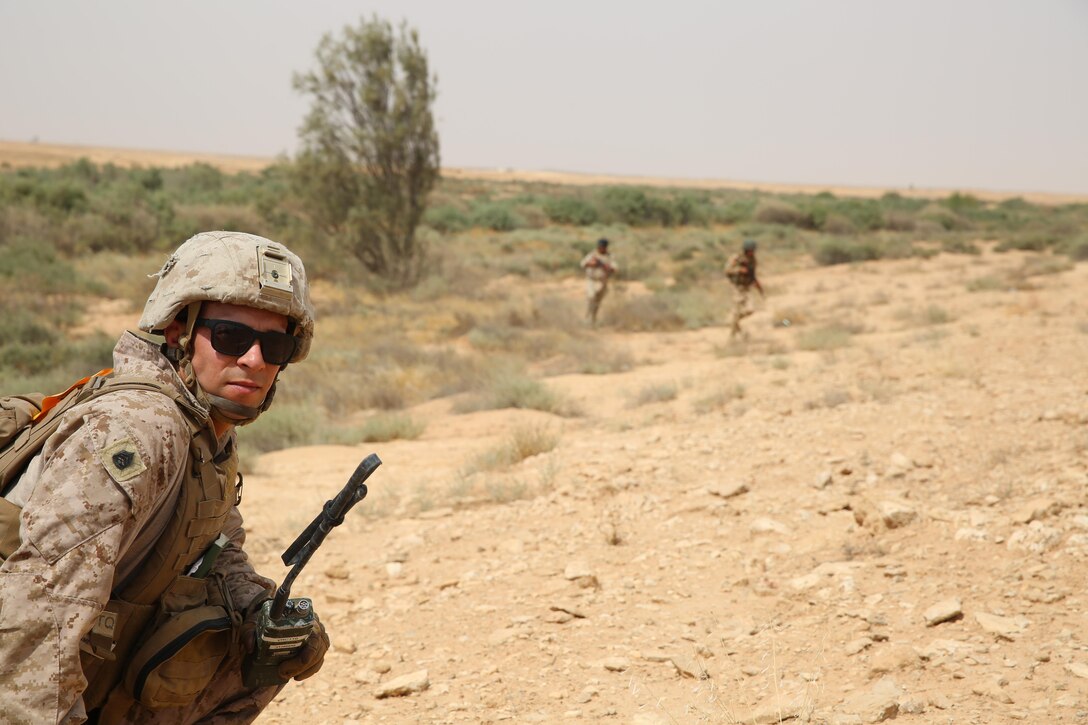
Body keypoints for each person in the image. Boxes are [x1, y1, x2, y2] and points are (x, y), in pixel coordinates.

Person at [0, 231, 328, 723]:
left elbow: (215, 547)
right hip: (18, 662)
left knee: (250, 642)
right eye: (231, 338)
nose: (253, 360)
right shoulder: (140, 429)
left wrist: (262, 611)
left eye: (274, 344)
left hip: (73, 653)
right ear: (178, 330)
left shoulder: (205, 428)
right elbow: (39, 608)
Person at [725, 238, 764, 338]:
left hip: (747, 288)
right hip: (737, 287)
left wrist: (759, 287)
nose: (751, 252)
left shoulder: (753, 260)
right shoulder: (736, 258)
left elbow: (753, 276)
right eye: (750, 250)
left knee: (750, 310)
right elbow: (727, 270)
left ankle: (734, 320)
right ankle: (733, 333)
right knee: (737, 309)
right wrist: (739, 270)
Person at [580, 237, 617, 326]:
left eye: (602, 247)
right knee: (591, 297)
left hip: (602, 282)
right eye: (599, 246)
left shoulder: (610, 256)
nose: (600, 248)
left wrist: (606, 267)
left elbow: (614, 268)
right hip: (592, 280)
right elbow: (583, 264)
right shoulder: (592, 254)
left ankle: (593, 319)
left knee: (597, 302)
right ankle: (587, 318)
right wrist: (591, 264)